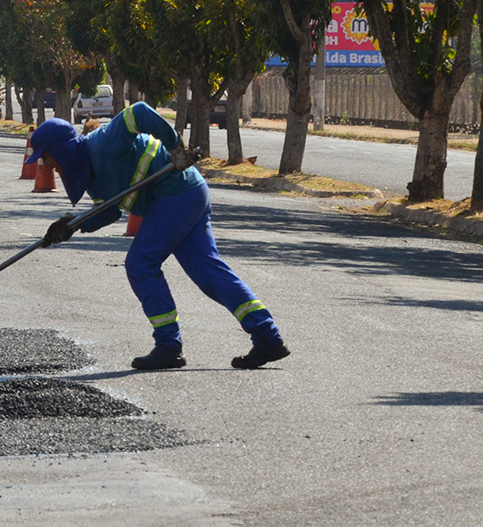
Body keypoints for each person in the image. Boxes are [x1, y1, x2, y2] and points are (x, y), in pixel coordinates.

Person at [26, 104, 290, 371]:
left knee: (141, 264)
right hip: (187, 194)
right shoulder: (90, 173)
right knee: (209, 273)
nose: (46, 164)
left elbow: (139, 112)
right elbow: (107, 212)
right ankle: (268, 337)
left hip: (176, 193)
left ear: (61, 149)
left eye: (46, 157)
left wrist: (176, 148)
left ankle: (168, 346)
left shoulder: (103, 143)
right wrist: (71, 225)